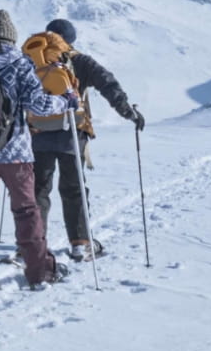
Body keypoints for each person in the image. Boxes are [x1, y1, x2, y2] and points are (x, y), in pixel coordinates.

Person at [0, 10, 72, 293]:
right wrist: (65, 103)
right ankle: (40, 272)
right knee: (26, 210)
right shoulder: (19, 63)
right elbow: (38, 105)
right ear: (12, 37)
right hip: (14, 150)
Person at [29, 18, 144, 262]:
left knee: (39, 189)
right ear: (69, 40)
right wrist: (129, 112)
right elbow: (107, 83)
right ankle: (80, 244)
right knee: (73, 188)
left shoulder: (32, 58)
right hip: (72, 133)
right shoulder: (79, 60)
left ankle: (33, 244)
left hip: (37, 133)